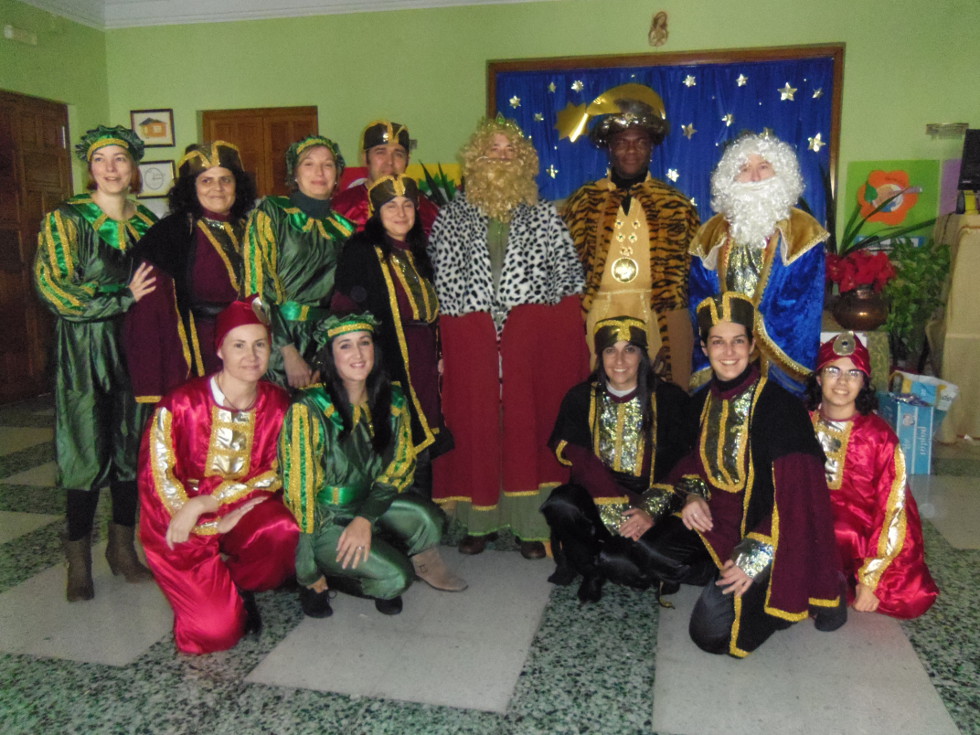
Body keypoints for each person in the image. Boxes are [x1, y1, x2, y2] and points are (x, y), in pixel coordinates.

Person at [644, 293, 844, 658]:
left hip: (770, 533)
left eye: (738, 341)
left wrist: (754, 556)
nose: (728, 352)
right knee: (649, 549)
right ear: (705, 348)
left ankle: (779, 588)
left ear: (752, 346)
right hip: (716, 525)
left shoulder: (780, 408)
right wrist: (693, 495)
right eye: (717, 342)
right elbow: (690, 463)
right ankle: (721, 576)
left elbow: (797, 499)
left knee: (709, 635)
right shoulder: (700, 403)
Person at [428, 115, 588, 558]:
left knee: (525, 424)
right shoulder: (451, 218)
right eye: (492, 149)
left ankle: (528, 525)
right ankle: (478, 521)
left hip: (529, 339)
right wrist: (446, 347)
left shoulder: (544, 216)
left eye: (509, 149)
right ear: (476, 158)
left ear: (523, 160)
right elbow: (438, 292)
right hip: (472, 338)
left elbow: (568, 285)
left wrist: (546, 337)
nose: (500, 157)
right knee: (476, 422)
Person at [34, 124, 158, 601]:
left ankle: (121, 549)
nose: (111, 168)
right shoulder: (65, 220)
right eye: (101, 159)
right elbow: (55, 289)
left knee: (130, 449)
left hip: (133, 347)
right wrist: (121, 297)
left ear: (133, 168)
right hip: (83, 350)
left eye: (120, 159)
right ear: (89, 168)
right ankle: (79, 560)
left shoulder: (147, 223)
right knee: (84, 452)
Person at [138, 298, 298, 654]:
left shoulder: (279, 403)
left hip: (240, 510)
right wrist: (198, 512)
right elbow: (156, 478)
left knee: (282, 529)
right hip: (181, 520)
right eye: (239, 345)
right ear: (220, 350)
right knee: (215, 634)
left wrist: (212, 501)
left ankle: (239, 584)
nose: (251, 356)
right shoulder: (180, 404)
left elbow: (275, 473)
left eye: (259, 345)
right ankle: (210, 594)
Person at [280, 313, 466, 619]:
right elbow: (299, 492)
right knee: (398, 579)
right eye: (345, 346)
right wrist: (306, 568)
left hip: (369, 505)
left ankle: (371, 546)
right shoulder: (309, 408)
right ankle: (331, 575)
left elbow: (401, 466)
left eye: (364, 343)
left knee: (431, 522)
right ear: (330, 356)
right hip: (326, 518)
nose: (358, 353)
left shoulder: (392, 399)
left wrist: (365, 519)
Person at [541, 316, 693, 603]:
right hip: (597, 493)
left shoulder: (669, 399)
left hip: (649, 499)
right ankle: (590, 571)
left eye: (630, 350)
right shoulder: (582, 397)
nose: (620, 360)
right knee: (561, 503)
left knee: (622, 566)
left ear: (642, 356)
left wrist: (649, 509)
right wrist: (613, 505)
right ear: (600, 357)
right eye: (611, 350)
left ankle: (611, 558)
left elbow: (684, 463)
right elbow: (578, 456)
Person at [562, 83, 699, 388]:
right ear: (610, 148)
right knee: (598, 394)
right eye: (622, 143)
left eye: (640, 143)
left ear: (651, 149)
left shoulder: (676, 205)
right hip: (598, 313)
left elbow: (694, 277)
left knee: (658, 395)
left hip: (656, 316)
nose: (631, 150)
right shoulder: (584, 201)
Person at [806, 332, 939, 619]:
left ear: (864, 383)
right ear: (818, 378)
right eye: (833, 371)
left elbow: (893, 508)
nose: (842, 381)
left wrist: (869, 579)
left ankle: (843, 583)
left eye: (853, 373)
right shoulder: (800, 424)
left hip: (865, 538)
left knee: (911, 598)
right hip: (806, 527)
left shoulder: (880, 437)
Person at [332, 174, 450, 496]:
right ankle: (395, 508)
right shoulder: (361, 250)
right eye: (391, 206)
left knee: (426, 433)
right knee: (397, 432)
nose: (401, 213)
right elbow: (344, 308)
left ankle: (424, 506)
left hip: (424, 358)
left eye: (407, 205)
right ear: (376, 212)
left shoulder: (421, 251)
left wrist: (441, 353)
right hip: (387, 357)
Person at [688, 132, 828, 396]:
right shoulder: (709, 235)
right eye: (744, 169)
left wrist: (753, 335)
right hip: (725, 356)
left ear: (782, 174)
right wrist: (729, 339)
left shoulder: (804, 233)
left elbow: (803, 306)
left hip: (779, 363)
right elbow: (700, 299)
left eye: (763, 167)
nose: (754, 178)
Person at [124, 140, 257, 403]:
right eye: (206, 181)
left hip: (250, 346)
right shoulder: (170, 234)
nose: (217, 188)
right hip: (199, 348)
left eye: (225, 180)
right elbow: (150, 311)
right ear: (191, 188)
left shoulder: (251, 228)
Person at [244, 135, 354, 389]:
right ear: (294, 173)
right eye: (309, 164)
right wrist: (288, 351)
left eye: (327, 164)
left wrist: (325, 354)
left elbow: (343, 298)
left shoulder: (344, 229)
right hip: (277, 338)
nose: (319, 172)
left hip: (326, 341)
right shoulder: (273, 213)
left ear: (337, 174)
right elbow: (256, 287)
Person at [332, 120, 440, 235]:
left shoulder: (428, 213)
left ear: (407, 160)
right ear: (365, 158)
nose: (390, 162)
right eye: (380, 152)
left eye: (398, 154)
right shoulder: (340, 210)